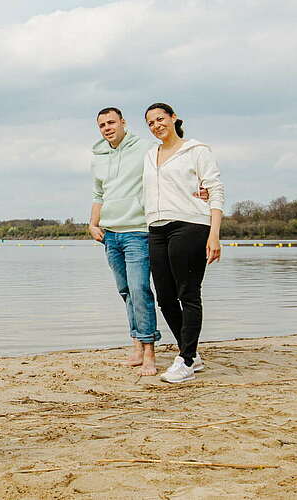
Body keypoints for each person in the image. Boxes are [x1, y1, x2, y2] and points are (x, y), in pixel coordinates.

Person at [89, 107, 207, 377]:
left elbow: (173, 164)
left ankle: (150, 354)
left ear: (123, 123)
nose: (107, 128)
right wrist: (93, 223)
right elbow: (98, 193)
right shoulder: (97, 157)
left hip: (140, 231)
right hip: (111, 234)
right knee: (126, 291)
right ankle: (138, 346)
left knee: (141, 289)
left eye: (111, 122)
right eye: (102, 125)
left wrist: (201, 189)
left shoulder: (146, 148)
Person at [141, 102, 224, 384]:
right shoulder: (150, 155)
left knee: (188, 293)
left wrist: (214, 234)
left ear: (174, 118)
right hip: (156, 228)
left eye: (160, 119)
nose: (156, 126)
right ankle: (191, 352)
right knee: (164, 297)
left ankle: (186, 360)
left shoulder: (197, 150)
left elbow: (215, 191)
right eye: (150, 123)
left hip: (190, 225)